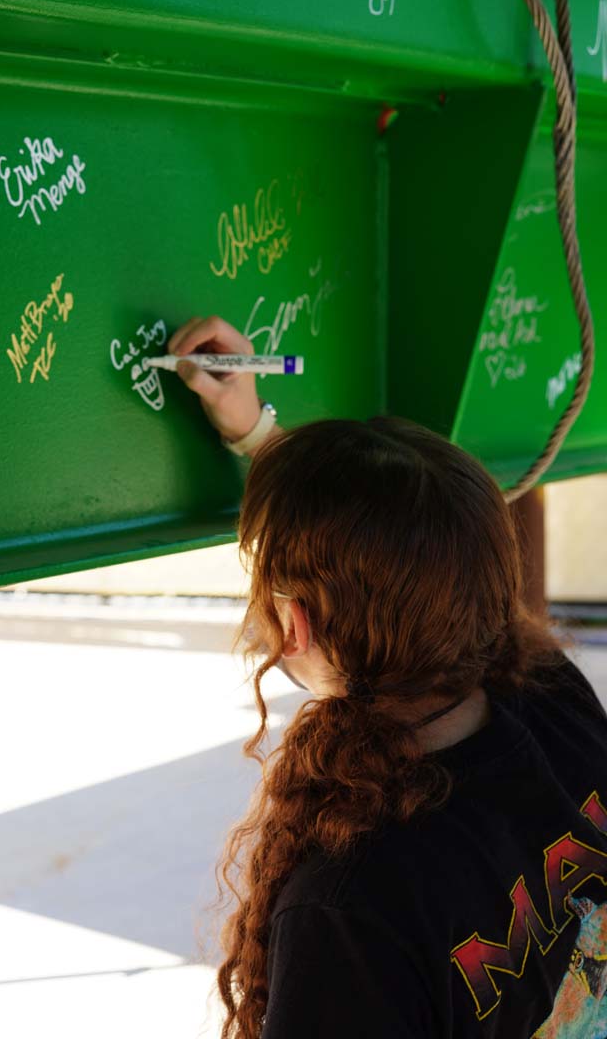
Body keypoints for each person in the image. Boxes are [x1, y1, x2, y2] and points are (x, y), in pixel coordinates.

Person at [168, 315, 607, 1039]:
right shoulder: (547, 691)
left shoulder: (350, 905)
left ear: (294, 627)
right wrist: (254, 431)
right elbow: (400, 547)